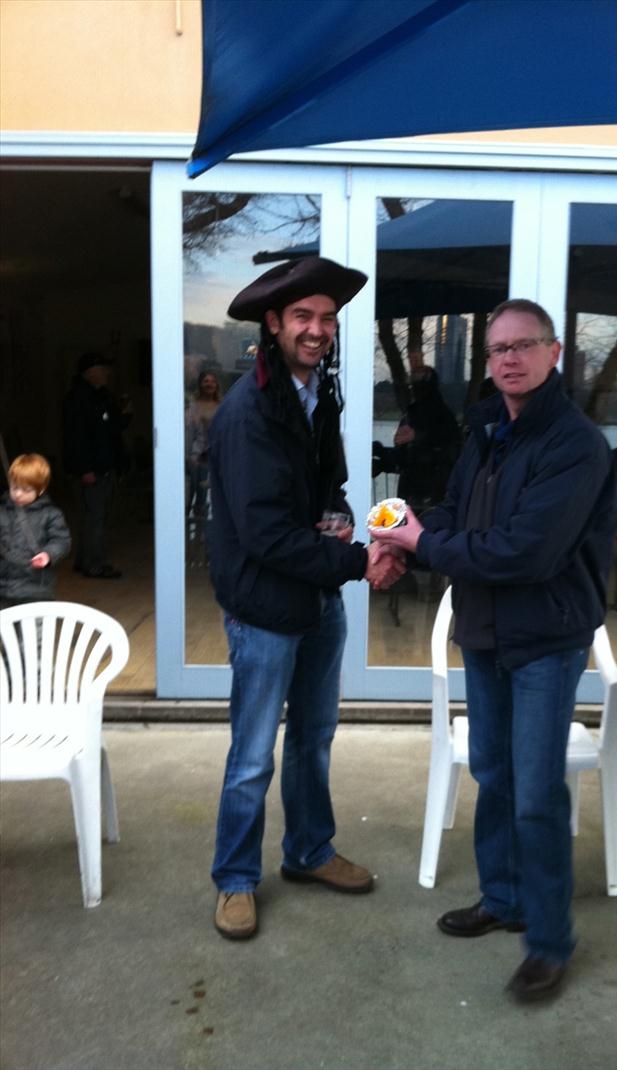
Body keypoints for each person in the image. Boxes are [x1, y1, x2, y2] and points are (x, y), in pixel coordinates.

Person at [372, 298, 617, 1003]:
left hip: (544, 638)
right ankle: (503, 898)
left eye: (523, 346)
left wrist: (425, 544)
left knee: (537, 793)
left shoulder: (576, 445)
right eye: (498, 349)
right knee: (493, 772)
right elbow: (458, 515)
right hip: (483, 632)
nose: (508, 358)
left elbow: (526, 552)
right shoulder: (486, 430)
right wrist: (405, 539)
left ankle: (548, 939)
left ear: (554, 353)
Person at [207, 256, 405, 941]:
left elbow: (327, 488)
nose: (317, 329)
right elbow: (264, 534)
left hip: (317, 595)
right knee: (254, 753)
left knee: (314, 740)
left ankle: (308, 851)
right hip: (266, 604)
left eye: (326, 318)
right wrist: (356, 559)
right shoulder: (249, 409)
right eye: (303, 318)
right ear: (274, 323)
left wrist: (345, 519)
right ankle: (235, 879)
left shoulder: (319, 393)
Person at [62, 352, 131, 578]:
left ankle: (85, 560)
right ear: (91, 372)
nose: (107, 374)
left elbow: (112, 428)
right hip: (93, 469)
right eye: (103, 369)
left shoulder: (99, 396)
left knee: (93, 517)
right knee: (95, 517)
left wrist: (124, 413)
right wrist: (85, 469)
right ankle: (94, 564)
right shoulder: (80, 399)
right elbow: (76, 437)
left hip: (102, 466)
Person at [376, 365, 461, 515]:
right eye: (412, 384)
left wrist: (418, 437)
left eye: (418, 384)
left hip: (433, 499)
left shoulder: (443, 418)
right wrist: (382, 457)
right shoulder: (413, 414)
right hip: (411, 498)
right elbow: (404, 458)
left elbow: (450, 454)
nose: (414, 388)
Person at [0, 453, 71, 610]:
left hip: (35, 588)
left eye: (26, 490)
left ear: (40, 490)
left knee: (33, 633)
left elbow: (61, 540)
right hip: (3, 587)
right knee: (5, 632)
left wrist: (48, 554)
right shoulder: (3, 510)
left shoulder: (51, 513)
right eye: (15, 487)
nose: (18, 494)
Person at [185, 370, 222, 558]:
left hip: (216, 458)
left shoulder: (221, 405)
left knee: (211, 500)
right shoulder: (193, 407)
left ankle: (208, 539)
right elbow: (190, 433)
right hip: (197, 458)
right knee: (194, 499)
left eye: (212, 381)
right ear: (200, 384)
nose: (209, 384)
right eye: (206, 381)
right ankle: (193, 538)